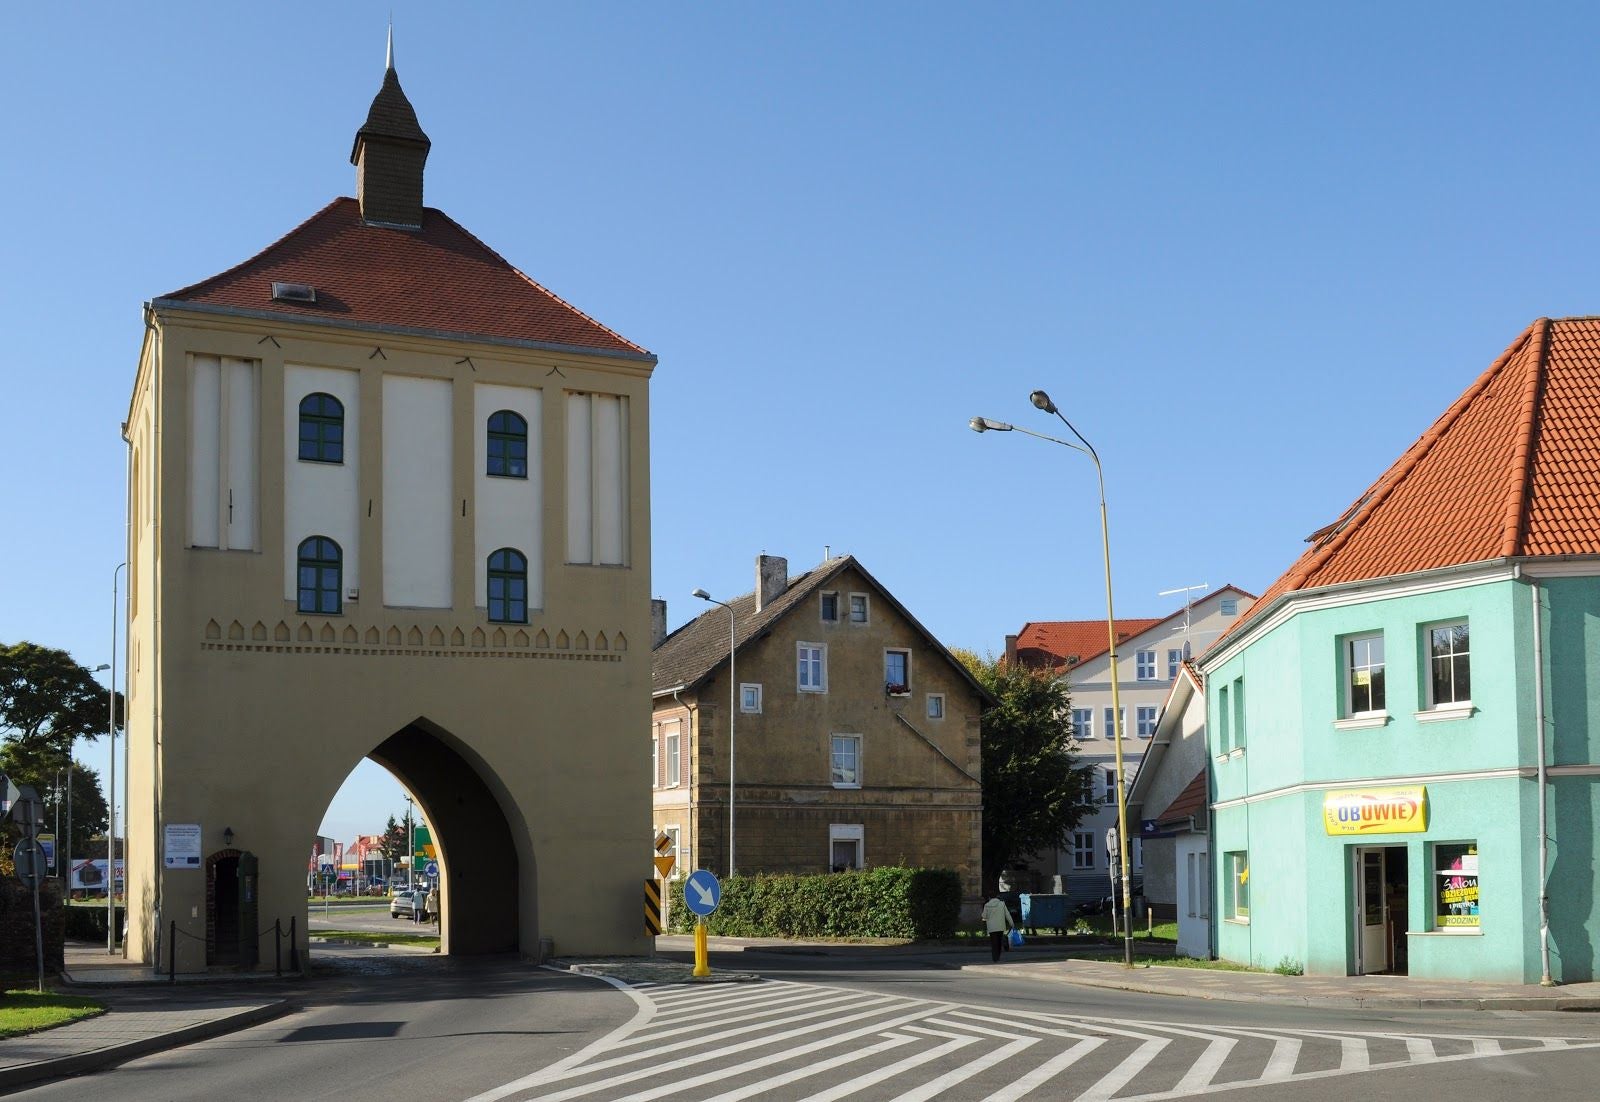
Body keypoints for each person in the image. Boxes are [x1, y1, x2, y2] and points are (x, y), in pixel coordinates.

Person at [982, 895, 1015, 963]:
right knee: (999, 942)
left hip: (991, 928)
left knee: (994, 943)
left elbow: (984, 916)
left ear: (989, 898)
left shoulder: (987, 905)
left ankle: (995, 957)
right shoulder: (1002, 904)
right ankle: (998, 956)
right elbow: (1007, 914)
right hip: (1000, 926)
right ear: (997, 897)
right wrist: (1011, 923)